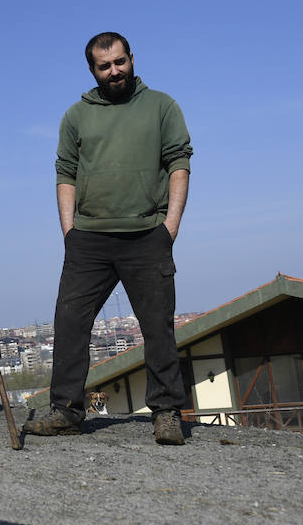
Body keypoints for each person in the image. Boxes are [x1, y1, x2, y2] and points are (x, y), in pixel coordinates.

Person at [24, 31, 193, 445]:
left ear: (132, 59)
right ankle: (66, 409)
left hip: (147, 235)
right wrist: (70, 231)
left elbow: (179, 163)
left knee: (157, 327)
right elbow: (65, 173)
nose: (114, 71)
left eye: (120, 62)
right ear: (92, 70)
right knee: (69, 321)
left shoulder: (161, 106)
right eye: (105, 66)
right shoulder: (76, 116)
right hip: (89, 240)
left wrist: (169, 227)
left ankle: (167, 412)